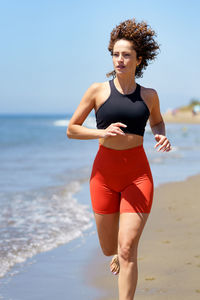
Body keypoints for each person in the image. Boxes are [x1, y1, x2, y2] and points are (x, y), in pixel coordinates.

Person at [67, 18, 171, 300]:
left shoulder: (149, 96)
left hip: (138, 176)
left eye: (126, 55)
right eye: (116, 54)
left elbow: (158, 123)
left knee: (127, 248)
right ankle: (115, 254)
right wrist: (101, 131)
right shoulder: (97, 91)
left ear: (139, 59)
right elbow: (72, 129)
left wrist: (161, 135)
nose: (120, 60)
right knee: (108, 247)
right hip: (103, 175)